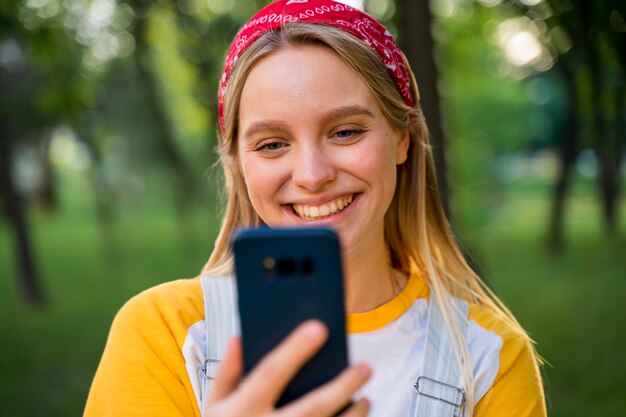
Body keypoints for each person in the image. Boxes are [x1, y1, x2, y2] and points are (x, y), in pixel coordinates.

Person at [84, 1, 547, 416]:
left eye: (345, 132)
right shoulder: (165, 334)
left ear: (402, 139)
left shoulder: (489, 358)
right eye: (271, 143)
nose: (311, 174)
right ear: (239, 164)